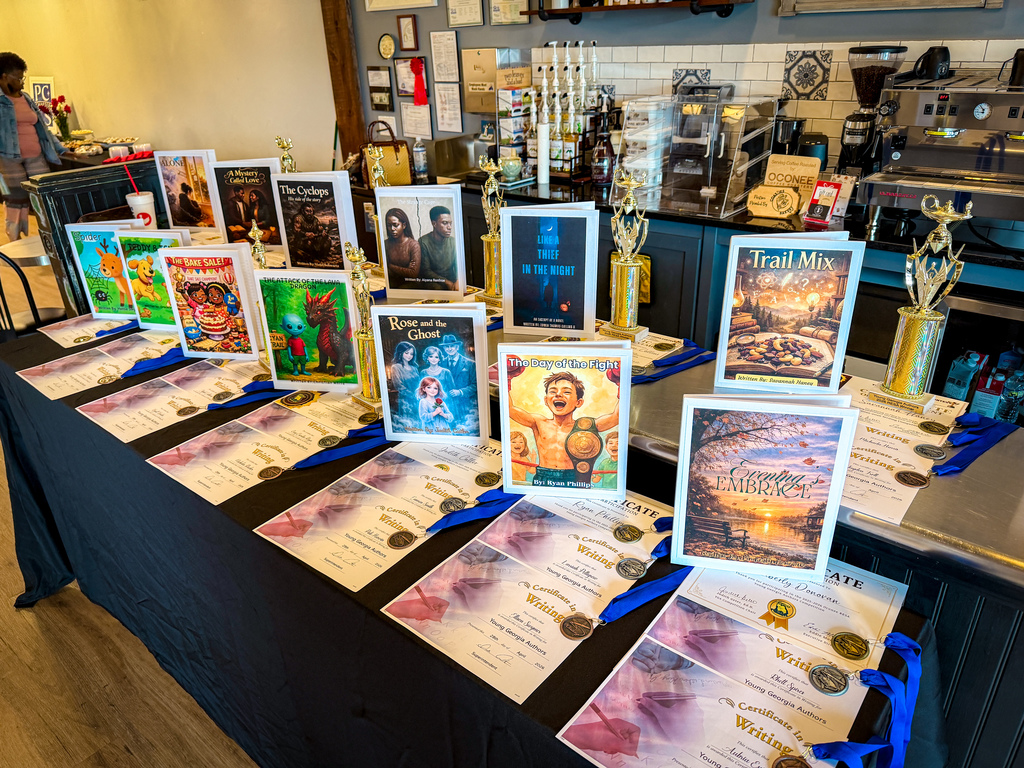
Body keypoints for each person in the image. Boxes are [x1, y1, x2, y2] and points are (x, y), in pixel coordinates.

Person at [507, 370, 618, 488]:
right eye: (553, 391)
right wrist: (506, 379)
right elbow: (509, 409)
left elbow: (616, 417)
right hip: (543, 476)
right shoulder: (538, 423)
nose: (558, 394)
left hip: (573, 477)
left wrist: (622, 384)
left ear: (578, 402)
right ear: (546, 400)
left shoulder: (587, 427)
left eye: (566, 392)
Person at [0, 52, 65, 241]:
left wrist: (61, 149)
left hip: (35, 154)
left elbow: (43, 128)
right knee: (16, 199)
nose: (22, 82)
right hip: (8, 158)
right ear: (4, 77)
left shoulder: (26, 98)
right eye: (18, 78)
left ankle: (50, 235)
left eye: (22, 78)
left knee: (43, 194)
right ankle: (15, 238)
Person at [417, 205, 458, 291]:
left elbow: (457, 266)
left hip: (452, 280)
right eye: (445, 223)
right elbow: (425, 271)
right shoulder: (423, 242)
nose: (449, 227)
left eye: (450, 223)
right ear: (434, 223)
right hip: (434, 282)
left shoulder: (453, 241)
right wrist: (446, 282)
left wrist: (458, 280)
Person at [440, 333, 475, 423]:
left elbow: (476, 385)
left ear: (457, 347)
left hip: (465, 405)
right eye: (447, 346)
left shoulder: (470, 364)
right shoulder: (440, 364)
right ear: (444, 348)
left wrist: (460, 392)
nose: (450, 349)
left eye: (452, 346)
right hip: (446, 404)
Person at [383, 208, 420, 287]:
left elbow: (413, 273)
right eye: (389, 225)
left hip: (410, 284)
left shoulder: (413, 245)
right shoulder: (386, 243)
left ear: (404, 225)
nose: (392, 229)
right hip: (391, 282)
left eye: (395, 225)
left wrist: (390, 266)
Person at [389, 341, 419, 422]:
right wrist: (412, 395)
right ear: (400, 353)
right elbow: (398, 386)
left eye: (411, 354)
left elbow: (419, 384)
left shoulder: (414, 368)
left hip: (418, 400)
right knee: (409, 423)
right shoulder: (396, 367)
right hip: (405, 401)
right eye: (407, 353)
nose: (409, 356)